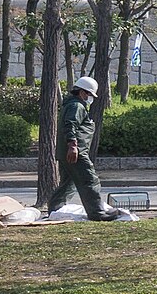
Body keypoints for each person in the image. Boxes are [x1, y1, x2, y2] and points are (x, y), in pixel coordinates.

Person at [47, 76, 117, 221]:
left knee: (68, 183)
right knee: (90, 180)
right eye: (90, 95)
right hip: (75, 153)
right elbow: (69, 125)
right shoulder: (76, 106)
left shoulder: (71, 105)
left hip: (66, 152)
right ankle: (97, 212)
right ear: (82, 92)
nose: (90, 98)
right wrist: (73, 146)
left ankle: (54, 208)